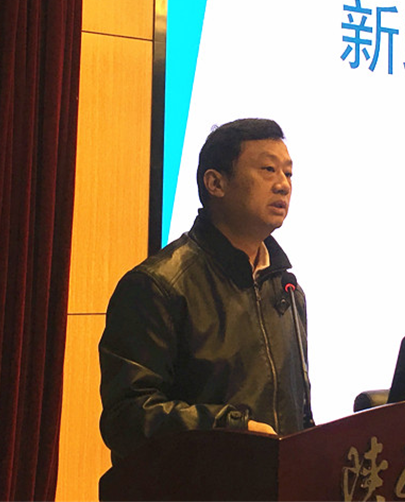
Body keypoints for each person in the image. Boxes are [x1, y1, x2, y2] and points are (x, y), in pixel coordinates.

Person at [99, 118, 312, 463]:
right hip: (196, 482)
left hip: (275, 482)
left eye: (288, 173)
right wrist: (231, 427)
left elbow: (299, 414)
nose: (283, 185)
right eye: (268, 170)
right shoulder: (158, 285)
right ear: (215, 183)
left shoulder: (286, 288)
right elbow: (128, 417)